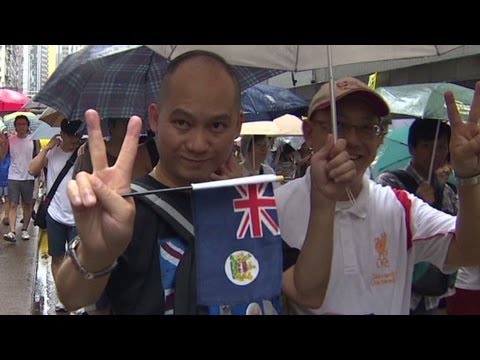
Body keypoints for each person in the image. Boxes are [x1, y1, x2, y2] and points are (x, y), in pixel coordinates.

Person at [55, 50, 355, 314]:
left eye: (217, 125)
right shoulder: (126, 210)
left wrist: (324, 200)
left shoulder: (246, 206)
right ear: (156, 119)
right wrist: (97, 253)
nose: (198, 144)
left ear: (237, 125)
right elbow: (71, 297)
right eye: (182, 122)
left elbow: (308, 292)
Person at [275, 76, 480, 315]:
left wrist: (468, 177)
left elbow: (469, 251)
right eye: (337, 124)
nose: (352, 140)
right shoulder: (274, 209)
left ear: (380, 136)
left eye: (366, 127)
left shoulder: (399, 208)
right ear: (308, 133)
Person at [376, 119, 458, 314]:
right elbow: (382, 232)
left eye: (441, 147)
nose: (434, 153)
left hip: (434, 292)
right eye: (426, 146)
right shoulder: (390, 182)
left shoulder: (447, 191)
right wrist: (418, 205)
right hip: (398, 290)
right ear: (412, 147)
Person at [28, 119, 82, 312]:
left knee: (77, 261)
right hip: (55, 215)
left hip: (78, 217)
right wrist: (45, 149)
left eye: (78, 137)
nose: (76, 141)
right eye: (72, 138)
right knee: (57, 258)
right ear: (62, 134)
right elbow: (32, 170)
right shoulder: (52, 152)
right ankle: (62, 297)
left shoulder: (84, 153)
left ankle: (77, 298)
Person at [73, 118, 158, 181]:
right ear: (112, 126)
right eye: (126, 121)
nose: (130, 126)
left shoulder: (144, 155)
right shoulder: (88, 157)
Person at [0, 115, 40, 242]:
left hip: (28, 176)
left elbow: (38, 157)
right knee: (12, 204)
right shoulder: (10, 140)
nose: (21, 126)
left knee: (27, 205)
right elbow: (2, 156)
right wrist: (2, 142)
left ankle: (24, 230)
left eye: (24, 124)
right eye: (19, 124)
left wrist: (40, 174)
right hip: (13, 176)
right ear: (15, 126)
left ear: (28, 126)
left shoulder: (34, 140)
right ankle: (12, 232)